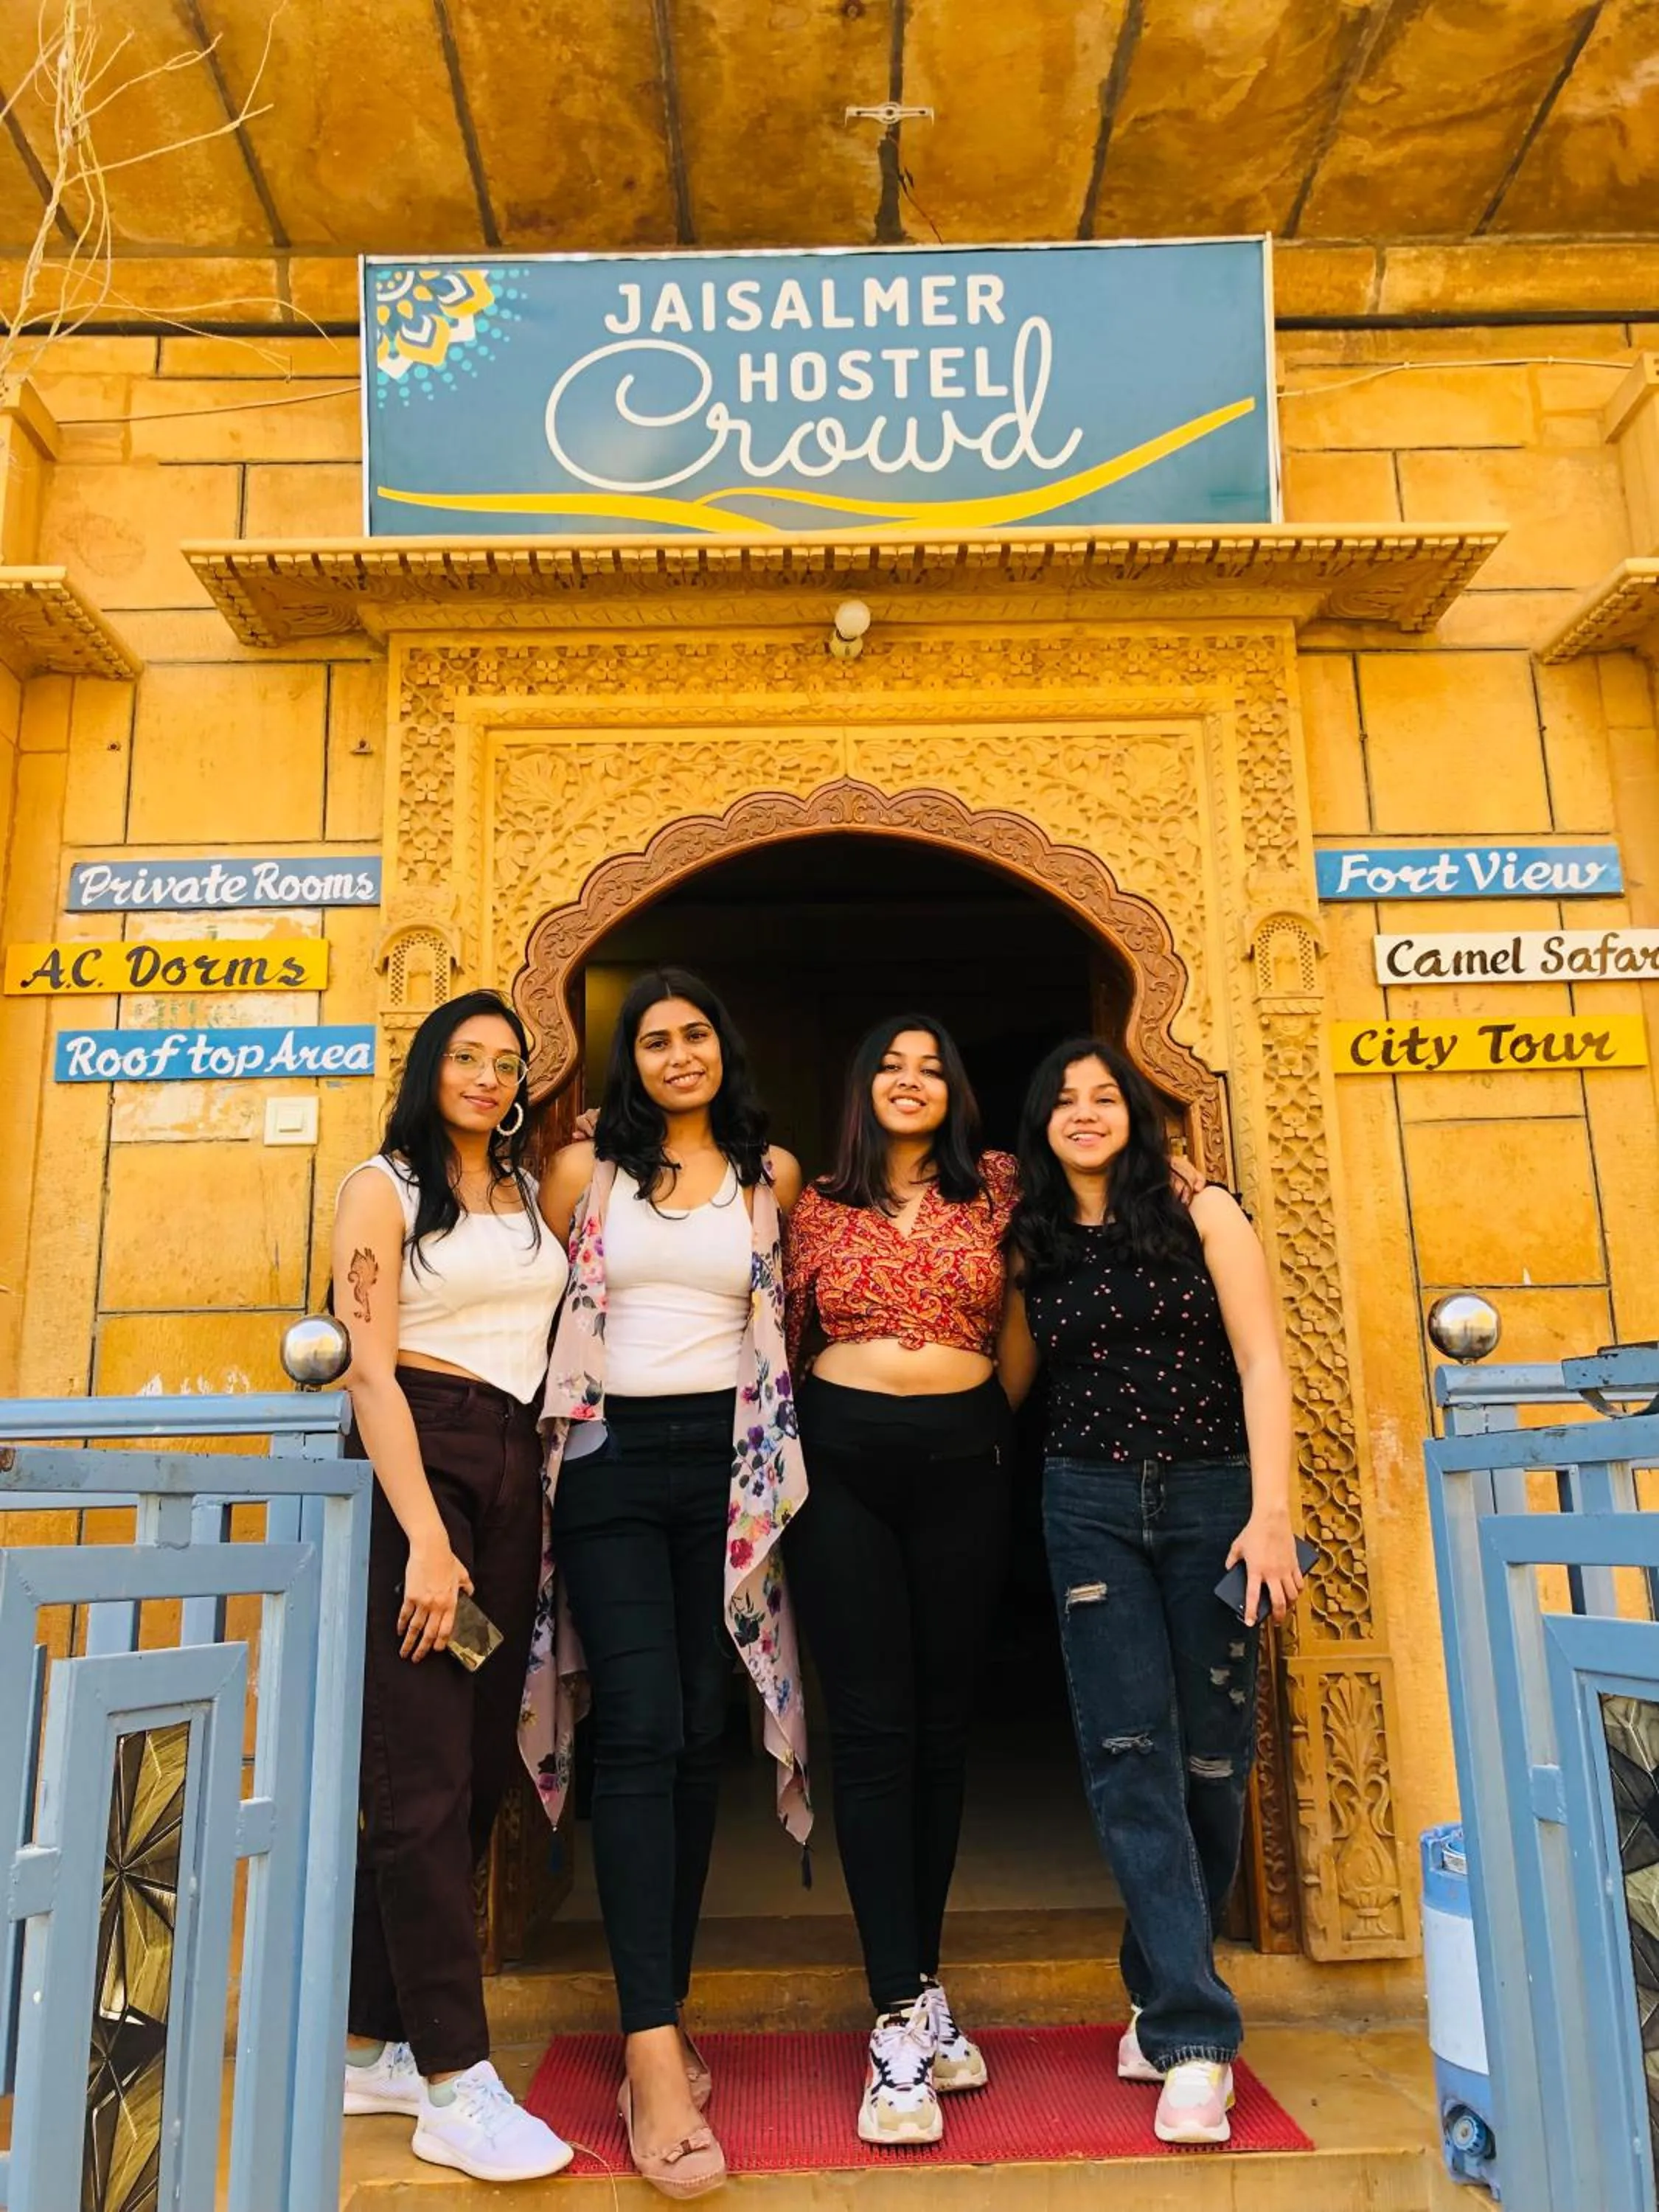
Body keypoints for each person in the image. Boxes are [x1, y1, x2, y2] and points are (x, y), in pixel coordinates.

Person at [526, 968, 809, 2201]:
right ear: (628, 1062)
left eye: (697, 1034)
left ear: (723, 1049)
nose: (679, 1054)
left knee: (698, 1728)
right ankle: (647, 2050)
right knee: (641, 1723)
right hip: (609, 1462)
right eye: (654, 1040)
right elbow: (519, 1296)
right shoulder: (582, 1174)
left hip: (729, 1469)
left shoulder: (769, 1174)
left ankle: (666, 2005)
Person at [998, 1037, 1305, 2146]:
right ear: (1040, 1124)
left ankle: (1154, 1979)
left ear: (1134, 1113)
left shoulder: (1201, 1212)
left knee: (1214, 1759)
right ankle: (1194, 2037)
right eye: (1063, 1100)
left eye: (1104, 1097)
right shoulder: (1031, 1239)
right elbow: (1008, 1384)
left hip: (1215, 1500)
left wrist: (1270, 1513)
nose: (1084, 1113)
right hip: (1085, 1502)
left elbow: (1261, 1362)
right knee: (1129, 1754)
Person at [332, 990, 573, 2184]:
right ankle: (453, 2081)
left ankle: (375, 2041)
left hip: (510, 1469)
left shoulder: (526, 1193)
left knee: (475, 1759)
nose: (486, 1075)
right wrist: (426, 1537)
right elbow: (366, 1371)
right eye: (465, 1056)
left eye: (505, 1062)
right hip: (419, 1469)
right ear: (429, 1067)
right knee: (419, 1772)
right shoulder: (381, 1186)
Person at [783, 1015, 1017, 2148]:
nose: (911, 1081)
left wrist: (983, 1419)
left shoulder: (1000, 1186)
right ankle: (893, 2021)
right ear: (861, 1088)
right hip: (841, 1461)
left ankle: (923, 1986)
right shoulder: (814, 1203)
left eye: (932, 1067)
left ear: (955, 1090)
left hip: (966, 1459)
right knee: (874, 1733)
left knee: (940, 1732)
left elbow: (1030, 1309)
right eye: (890, 1065)